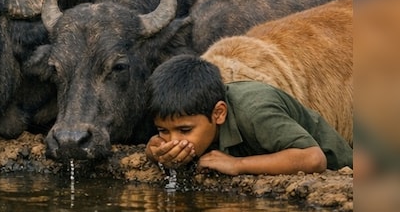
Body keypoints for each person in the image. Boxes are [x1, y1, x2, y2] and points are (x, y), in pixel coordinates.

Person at [145, 54, 353, 175]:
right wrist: (155, 153)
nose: (174, 141)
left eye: (185, 130)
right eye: (163, 130)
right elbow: (155, 145)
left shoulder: (256, 111)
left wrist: (238, 165)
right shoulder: (193, 117)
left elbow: (313, 159)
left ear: (218, 114)